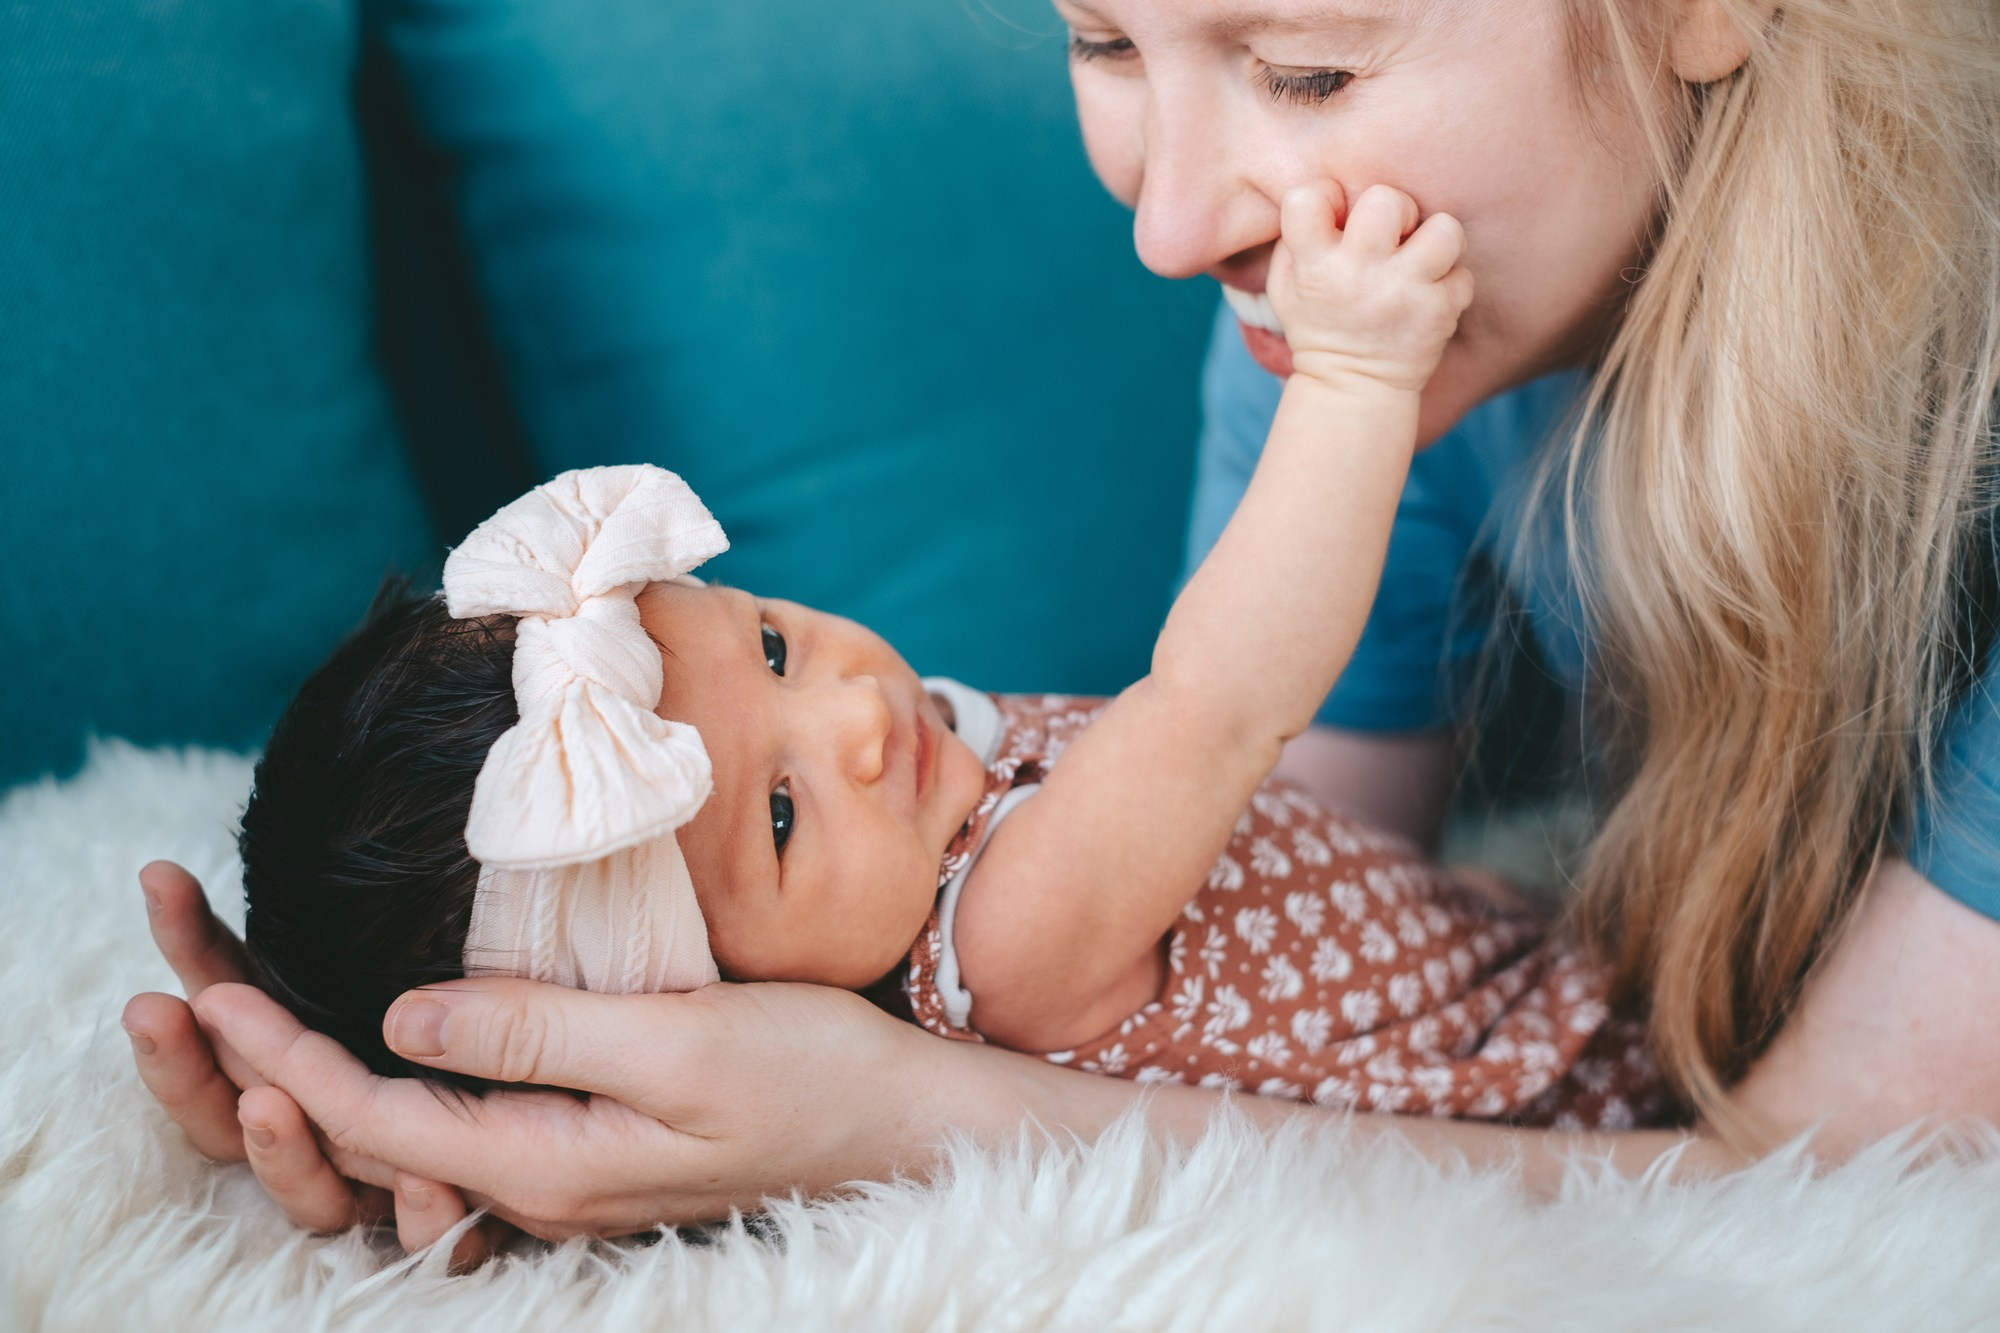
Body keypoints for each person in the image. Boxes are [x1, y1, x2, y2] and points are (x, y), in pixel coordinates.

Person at [125, 0, 2000, 1266]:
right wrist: (568, 1108)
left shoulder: (1353, 332)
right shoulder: (1340, 331)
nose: (1174, 228)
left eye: (1309, 67)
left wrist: (913, 1122)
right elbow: (1269, 813)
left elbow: (1845, 1183)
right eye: (1103, 33)